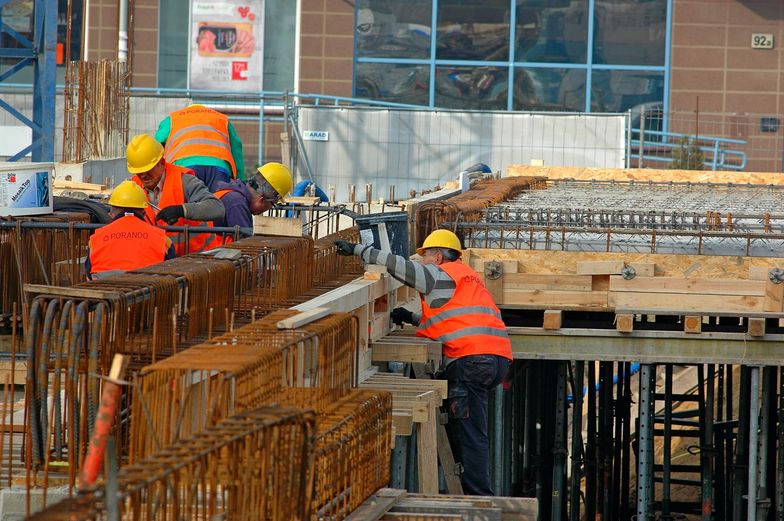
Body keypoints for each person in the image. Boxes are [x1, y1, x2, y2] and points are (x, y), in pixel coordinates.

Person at [334, 229, 512, 495]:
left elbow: (400, 267)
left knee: (471, 433)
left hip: (472, 360)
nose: (422, 261)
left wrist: (358, 250)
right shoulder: (467, 277)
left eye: (425, 255)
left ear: (438, 256)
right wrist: (412, 317)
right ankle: (472, 490)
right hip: (496, 358)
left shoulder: (439, 274)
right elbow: (454, 321)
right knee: (467, 427)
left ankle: (479, 500)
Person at [127, 133, 225, 255]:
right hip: (156, 261)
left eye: (148, 170)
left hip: (195, 260)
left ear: (161, 162)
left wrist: (182, 210)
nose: (143, 175)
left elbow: (217, 208)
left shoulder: (184, 181)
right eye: (138, 171)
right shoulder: (133, 187)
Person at [86, 181, 175, 280]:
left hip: (104, 291)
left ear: (111, 213)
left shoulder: (95, 239)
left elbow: (89, 274)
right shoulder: (162, 239)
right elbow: (171, 276)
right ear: (144, 213)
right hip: (148, 291)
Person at [154, 104, 246, 191]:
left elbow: (154, 146)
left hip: (184, 166)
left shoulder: (172, 119)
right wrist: (241, 181)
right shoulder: (222, 119)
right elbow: (236, 148)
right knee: (219, 203)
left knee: (188, 205)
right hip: (219, 167)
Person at [213, 162, 294, 232]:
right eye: (272, 204)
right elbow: (245, 246)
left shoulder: (231, 194)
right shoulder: (237, 204)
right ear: (261, 200)